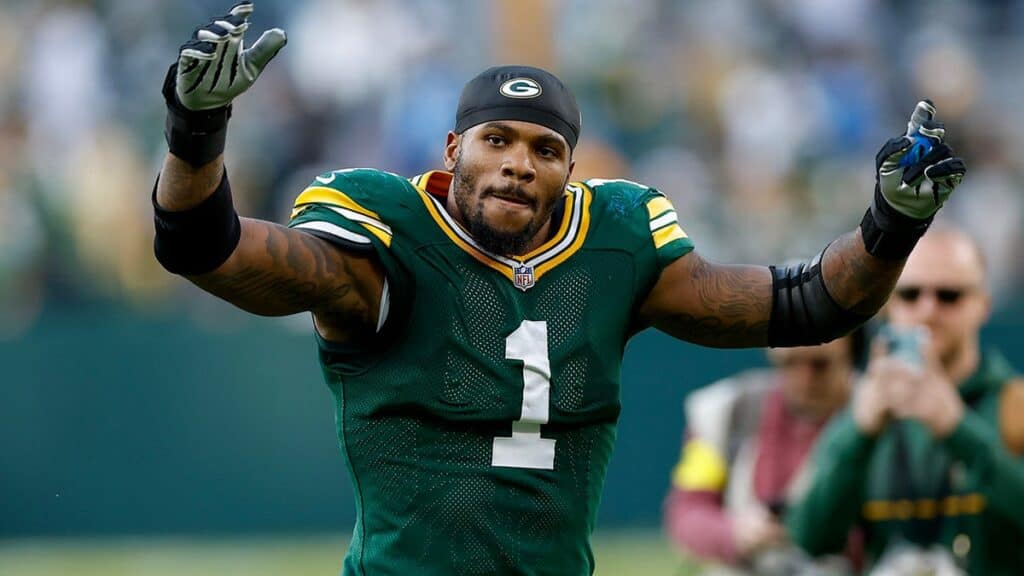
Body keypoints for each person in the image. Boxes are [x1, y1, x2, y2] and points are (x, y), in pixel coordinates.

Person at [151, 3, 966, 574]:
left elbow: (810, 306)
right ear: (451, 150)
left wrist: (890, 224)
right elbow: (206, 250)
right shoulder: (385, 241)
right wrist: (198, 133)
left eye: (544, 148)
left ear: (570, 170)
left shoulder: (616, 244)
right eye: (495, 140)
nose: (517, 162)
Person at [786, 226, 1024, 575]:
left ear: (982, 306)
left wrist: (958, 429)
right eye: (910, 294)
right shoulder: (865, 406)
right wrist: (859, 433)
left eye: (949, 295)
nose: (928, 311)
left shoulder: (1014, 401)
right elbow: (810, 536)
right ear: (886, 304)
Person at [664, 333, 863, 575]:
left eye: (819, 365)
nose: (803, 378)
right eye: (789, 363)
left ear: (851, 355)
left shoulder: (878, 414)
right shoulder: (731, 411)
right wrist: (735, 532)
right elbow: (687, 512)